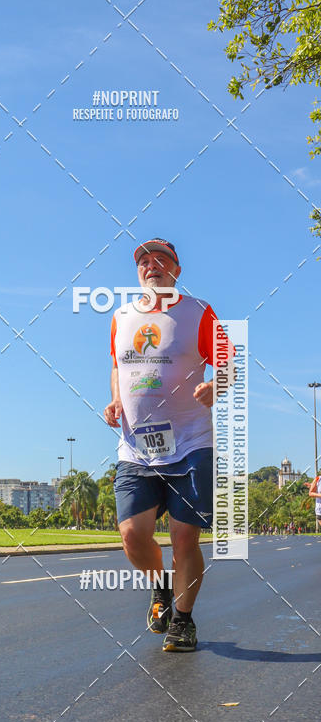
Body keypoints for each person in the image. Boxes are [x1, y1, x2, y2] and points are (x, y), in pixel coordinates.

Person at [104, 238, 232, 652]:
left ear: (176, 269)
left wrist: (217, 385)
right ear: (138, 272)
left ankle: (183, 620)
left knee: (183, 539)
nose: (151, 265)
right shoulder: (121, 316)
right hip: (137, 447)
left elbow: (230, 362)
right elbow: (116, 366)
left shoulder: (198, 312)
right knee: (132, 535)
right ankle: (160, 588)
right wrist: (117, 399)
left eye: (161, 259)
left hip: (191, 443)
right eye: (143, 260)